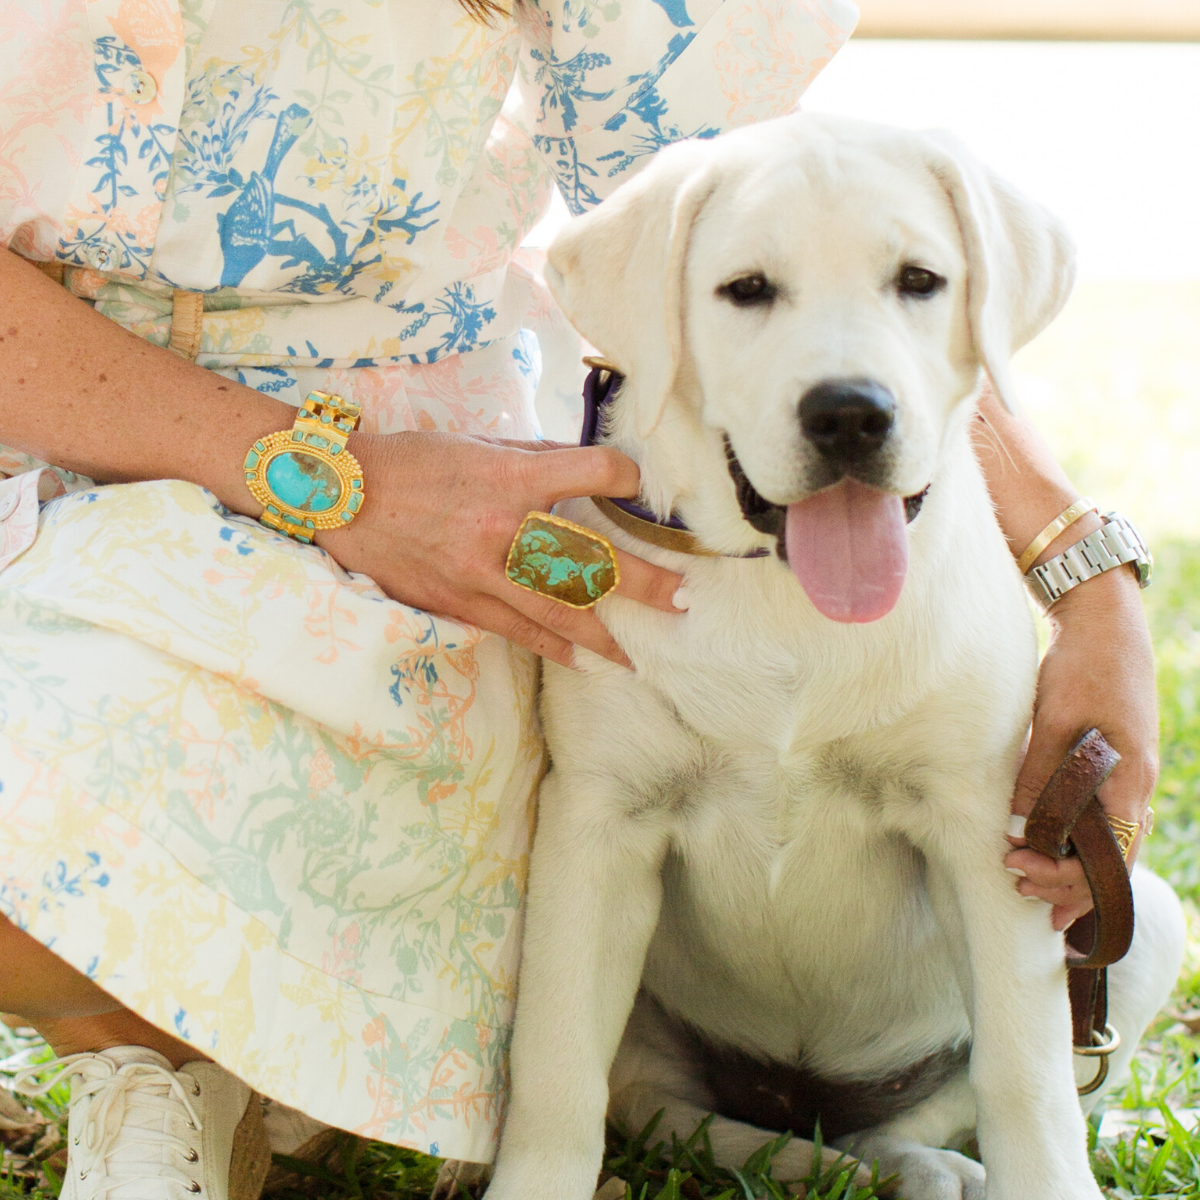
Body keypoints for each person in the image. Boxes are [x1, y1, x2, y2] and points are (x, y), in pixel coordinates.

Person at [0, 0, 1157, 1197]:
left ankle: (237, 1063)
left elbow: (786, 198)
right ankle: (155, 1059)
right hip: (69, 438)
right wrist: (330, 485)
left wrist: (1089, 582)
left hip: (458, 505)